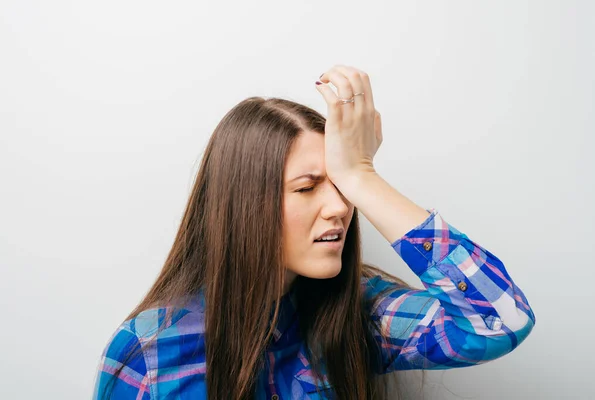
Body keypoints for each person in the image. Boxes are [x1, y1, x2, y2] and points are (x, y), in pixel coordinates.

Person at [92, 65, 535, 400]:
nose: (341, 207)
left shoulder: (358, 312)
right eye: (307, 187)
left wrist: (363, 176)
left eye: (341, 187)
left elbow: (500, 320)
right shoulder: (149, 351)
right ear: (244, 205)